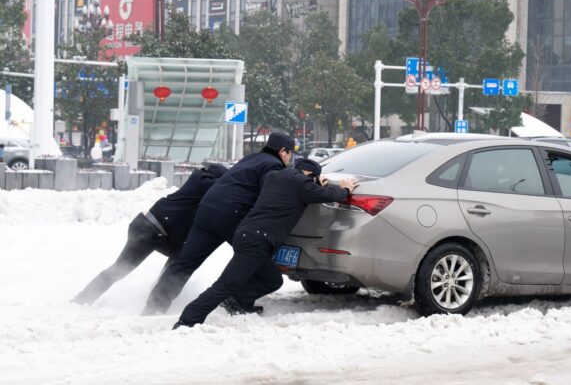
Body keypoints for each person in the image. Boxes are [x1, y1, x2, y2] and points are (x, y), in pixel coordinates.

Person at [174, 158, 359, 328]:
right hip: (258, 240)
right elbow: (330, 195)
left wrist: (314, 183)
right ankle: (187, 320)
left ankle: (239, 301)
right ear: (310, 175)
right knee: (225, 285)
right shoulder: (302, 184)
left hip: (246, 234)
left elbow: (299, 191)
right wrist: (345, 189)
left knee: (272, 279)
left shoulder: (274, 177)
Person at [142, 132, 294, 315]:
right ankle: (238, 300)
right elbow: (268, 195)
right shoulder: (273, 165)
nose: (290, 158)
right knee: (255, 256)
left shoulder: (250, 158)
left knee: (185, 263)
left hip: (206, 210)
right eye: (290, 153)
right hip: (232, 214)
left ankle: (154, 308)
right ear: (282, 151)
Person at [71, 164, 228, 305]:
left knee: (179, 260)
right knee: (120, 268)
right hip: (150, 229)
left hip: (153, 229)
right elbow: (223, 188)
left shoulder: (199, 183)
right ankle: (83, 300)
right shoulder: (203, 183)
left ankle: (158, 297)